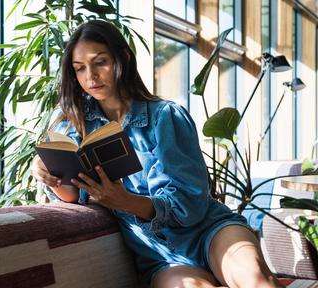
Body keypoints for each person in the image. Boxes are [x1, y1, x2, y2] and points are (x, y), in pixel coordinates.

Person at [31, 20, 283, 288]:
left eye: (100, 62)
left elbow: (190, 205)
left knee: (256, 280)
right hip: (160, 255)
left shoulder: (165, 116)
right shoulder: (73, 126)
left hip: (209, 230)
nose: (90, 76)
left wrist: (126, 201)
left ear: (123, 58)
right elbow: (74, 194)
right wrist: (49, 174)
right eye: (79, 68)